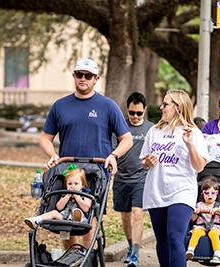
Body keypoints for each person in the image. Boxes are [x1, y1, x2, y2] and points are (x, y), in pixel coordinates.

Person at [40, 59, 133, 250]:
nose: (83, 79)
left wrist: (113, 155)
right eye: (79, 74)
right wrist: (52, 155)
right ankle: (72, 260)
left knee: (89, 223)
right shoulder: (60, 106)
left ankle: (89, 259)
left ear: (96, 79)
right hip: (69, 172)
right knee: (66, 223)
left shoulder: (108, 106)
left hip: (96, 173)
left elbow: (127, 139)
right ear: (74, 76)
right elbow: (45, 138)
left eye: (88, 76)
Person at [139, 90, 209, 267]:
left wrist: (189, 145)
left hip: (182, 191)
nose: (161, 107)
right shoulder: (154, 131)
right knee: (162, 241)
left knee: (175, 236)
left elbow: (199, 166)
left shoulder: (193, 132)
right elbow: (144, 165)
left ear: (178, 108)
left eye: (165, 104)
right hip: (156, 190)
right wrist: (148, 162)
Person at [112, 92, 154, 267]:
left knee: (137, 213)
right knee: (125, 217)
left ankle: (135, 254)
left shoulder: (151, 129)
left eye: (139, 113)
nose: (135, 117)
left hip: (141, 178)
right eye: (131, 113)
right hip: (121, 178)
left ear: (144, 110)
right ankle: (130, 247)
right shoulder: (119, 127)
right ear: (127, 110)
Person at [24, 165, 91, 229]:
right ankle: (36, 220)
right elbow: (59, 207)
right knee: (54, 212)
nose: (72, 186)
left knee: (78, 214)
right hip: (64, 217)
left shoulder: (85, 194)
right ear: (66, 184)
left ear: (83, 185)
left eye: (76, 184)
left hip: (80, 218)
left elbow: (86, 209)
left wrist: (77, 197)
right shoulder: (65, 194)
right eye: (69, 184)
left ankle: (76, 221)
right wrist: (67, 196)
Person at [186, 176, 220, 264]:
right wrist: (195, 212)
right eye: (207, 193)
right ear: (202, 194)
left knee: (214, 234)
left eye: (213, 193)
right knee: (196, 232)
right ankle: (190, 250)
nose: (210, 195)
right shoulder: (199, 205)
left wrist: (217, 210)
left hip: (215, 226)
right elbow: (193, 220)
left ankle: (217, 254)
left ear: (217, 194)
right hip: (201, 226)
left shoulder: (218, 205)